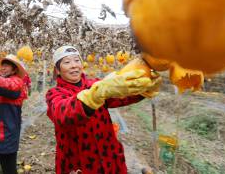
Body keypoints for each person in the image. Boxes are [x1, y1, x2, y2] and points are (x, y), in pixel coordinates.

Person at [46, 46, 160, 174]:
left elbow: (119, 96)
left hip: (108, 156)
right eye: (67, 62)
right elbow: (62, 114)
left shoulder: (95, 84)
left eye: (77, 60)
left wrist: (142, 90)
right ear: (58, 70)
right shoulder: (54, 93)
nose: (73, 65)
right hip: (79, 165)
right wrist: (94, 95)